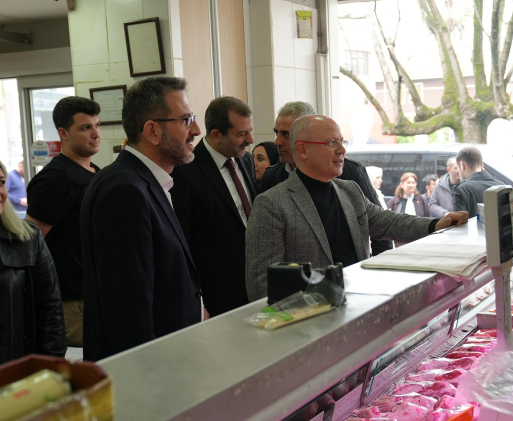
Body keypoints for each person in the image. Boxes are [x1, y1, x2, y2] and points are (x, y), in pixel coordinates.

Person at [245, 115, 468, 302]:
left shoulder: (349, 190)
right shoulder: (272, 204)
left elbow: (388, 222)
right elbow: (261, 285)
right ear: (303, 150)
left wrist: (435, 224)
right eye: (332, 143)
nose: (342, 149)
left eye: (342, 142)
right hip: (307, 322)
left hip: (358, 306)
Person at [80, 76, 204, 361]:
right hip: (149, 370)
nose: (196, 130)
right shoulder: (125, 191)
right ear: (152, 131)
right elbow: (129, 313)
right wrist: (150, 376)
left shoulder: (143, 181)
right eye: (186, 120)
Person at [260, 101, 392, 256]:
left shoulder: (350, 174)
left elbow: (381, 226)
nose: (277, 142)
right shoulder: (271, 180)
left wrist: (377, 265)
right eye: (277, 133)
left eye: (286, 134)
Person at [25, 97, 101, 348]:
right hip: (71, 301)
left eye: (97, 125)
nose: (95, 134)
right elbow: (30, 245)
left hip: (96, 292)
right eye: (85, 128)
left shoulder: (96, 172)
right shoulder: (55, 178)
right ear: (63, 133)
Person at [171, 96, 257, 317]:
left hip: (253, 285)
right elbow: (183, 242)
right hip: (215, 294)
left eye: (249, 131)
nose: (250, 139)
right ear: (216, 134)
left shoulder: (245, 160)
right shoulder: (185, 170)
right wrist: (197, 301)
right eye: (242, 134)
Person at [0, 160, 66, 364]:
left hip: (16, 370)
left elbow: (51, 312)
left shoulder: (28, 239)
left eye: (1, 182)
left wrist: (49, 369)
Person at [452, 147, 500, 218]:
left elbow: (459, 223)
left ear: (462, 165)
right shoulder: (502, 186)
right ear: (482, 165)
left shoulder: (461, 190)